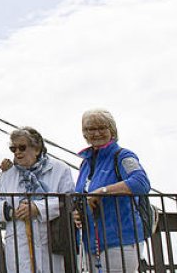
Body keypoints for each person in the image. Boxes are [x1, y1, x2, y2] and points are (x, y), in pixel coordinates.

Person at [74, 109, 151, 272]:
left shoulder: (123, 156)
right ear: (84, 133)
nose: (96, 133)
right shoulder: (85, 164)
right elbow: (80, 196)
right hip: (91, 244)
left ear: (112, 130)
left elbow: (141, 182)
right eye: (90, 129)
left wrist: (102, 191)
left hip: (121, 240)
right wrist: (77, 213)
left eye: (102, 127)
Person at [0, 127, 74, 273]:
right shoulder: (7, 174)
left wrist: (37, 208)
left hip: (51, 243)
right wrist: (11, 212)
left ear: (37, 149)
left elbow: (68, 201)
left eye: (22, 147)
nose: (17, 152)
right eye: (13, 148)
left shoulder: (60, 169)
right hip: (18, 246)